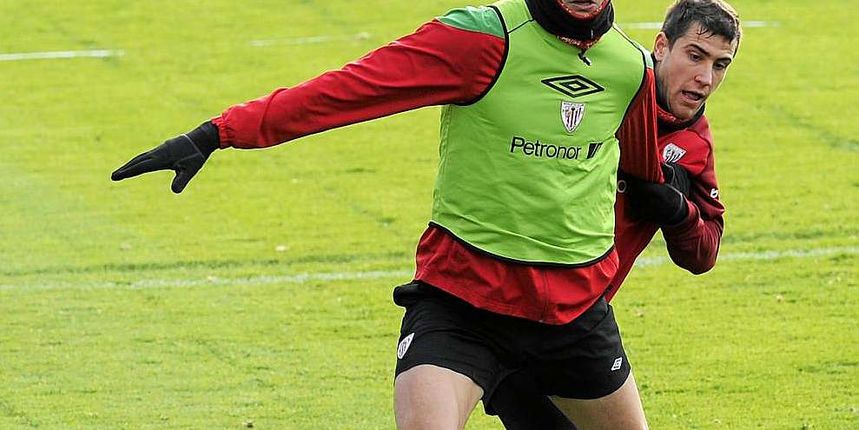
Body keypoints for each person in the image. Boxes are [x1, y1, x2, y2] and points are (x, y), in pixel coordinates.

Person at [112, 1, 667, 428]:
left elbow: (646, 185)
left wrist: (694, 219)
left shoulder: (630, 68)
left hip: (573, 319)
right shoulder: (481, 38)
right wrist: (217, 133)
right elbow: (347, 91)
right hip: (464, 305)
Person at [485, 0, 741, 428]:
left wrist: (677, 211)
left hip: (578, 323)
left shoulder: (694, 142)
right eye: (695, 56)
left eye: (720, 65)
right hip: (505, 295)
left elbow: (705, 251)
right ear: (661, 46)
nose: (705, 78)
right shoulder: (604, 87)